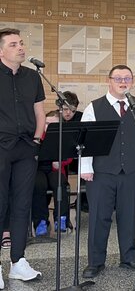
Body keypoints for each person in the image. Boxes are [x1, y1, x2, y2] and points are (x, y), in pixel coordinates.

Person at [79, 65, 135, 278]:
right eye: (118, 78)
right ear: (109, 80)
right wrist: (85, 167)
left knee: (129, 215)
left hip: (132, 171)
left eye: (127, 78)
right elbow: (84, 139)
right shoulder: (94, 107)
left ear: (132, 82)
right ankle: (96, 262)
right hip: (101, 172)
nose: (123, 82)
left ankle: (129, 257)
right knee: (99, 217)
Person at [0, 28, 45, 284]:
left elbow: (40, 113)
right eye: (14, 44)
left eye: (21, 43)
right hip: (1, 147)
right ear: (1, 50)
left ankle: (18, 261)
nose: (21, 47)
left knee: (21, 205)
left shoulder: (32, 77)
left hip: (27, 147)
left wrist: (37, 140)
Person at [32, 111, 72, 236]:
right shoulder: (38, 136)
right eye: (47, 123)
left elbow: (69, 156)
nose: (48, 127)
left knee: (60, 183)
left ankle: (61, 218)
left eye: (53, 124)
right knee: (38, 184)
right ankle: (40, 221)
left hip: (54, 170)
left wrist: (61, 163)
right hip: (39, 170)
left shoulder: (62, 137)